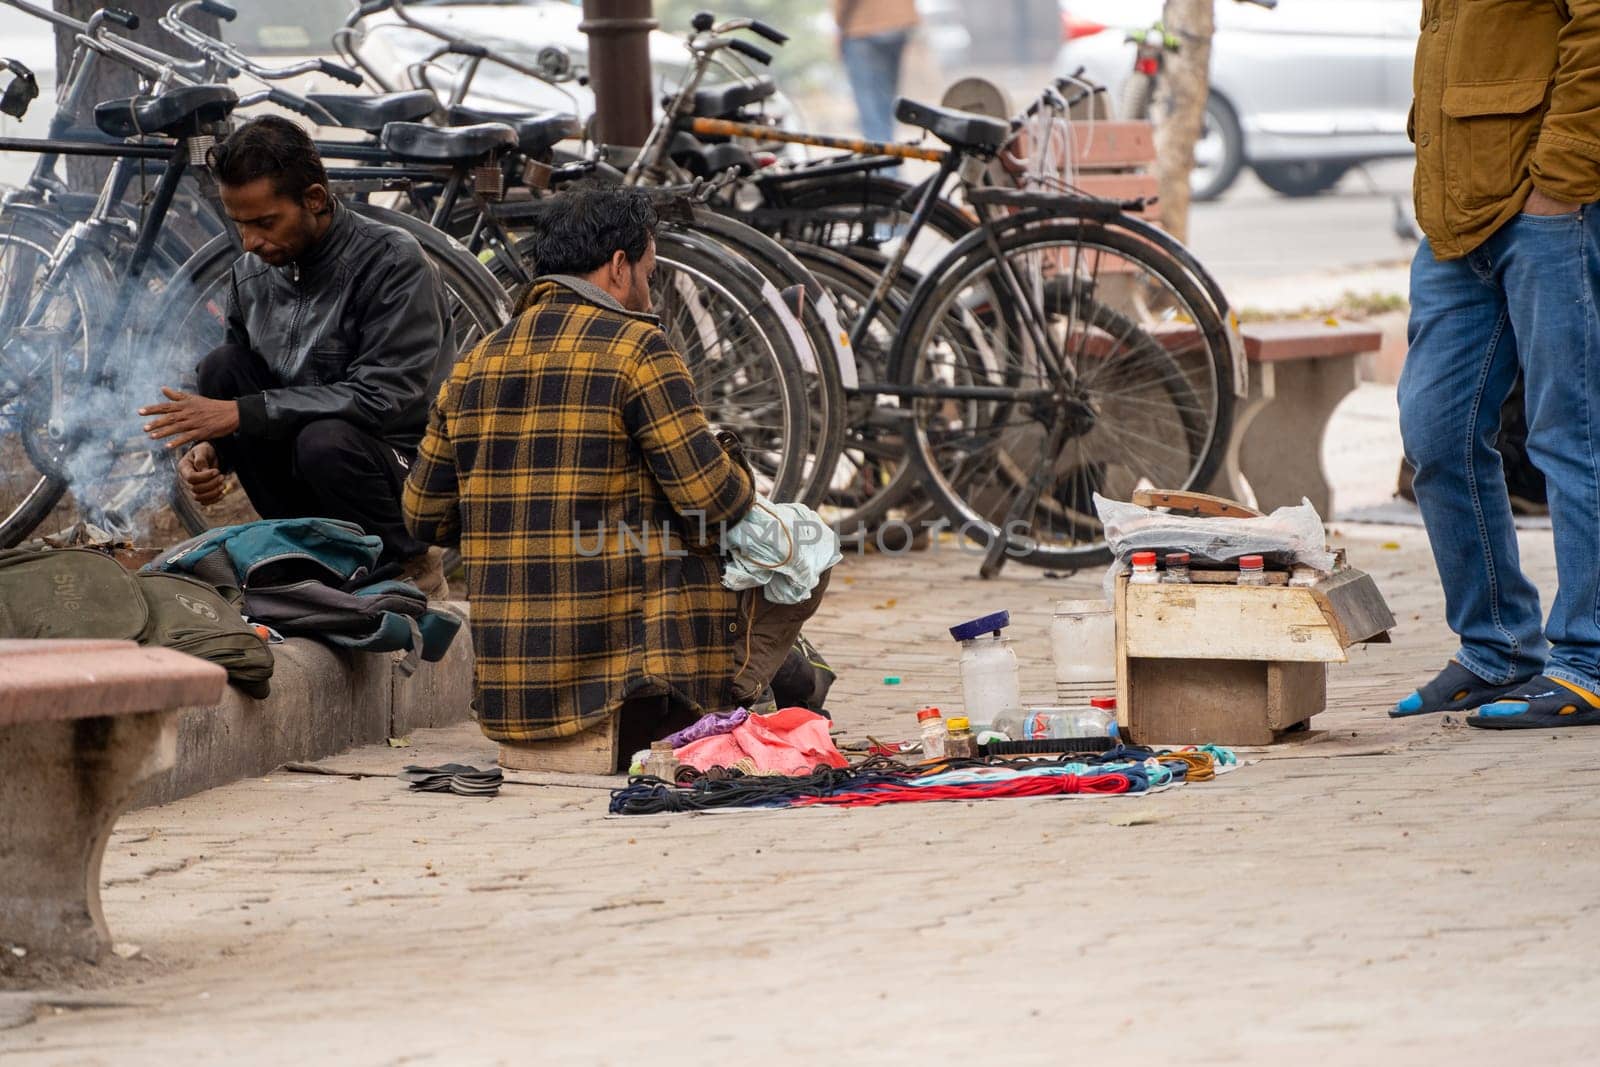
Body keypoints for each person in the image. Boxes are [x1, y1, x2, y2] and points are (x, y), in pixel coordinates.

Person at [402, 185, 832, 763]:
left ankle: (787, 685)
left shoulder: (476, 361)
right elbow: (715, 498)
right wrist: (723, 453)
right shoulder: (638, 348)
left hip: (514, 702)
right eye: (650, 273)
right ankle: (726, 705)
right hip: (627, 697)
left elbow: (423, 515)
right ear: (620, 266)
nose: (648, 289)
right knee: (806, 543)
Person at [139, 116, 454, 598]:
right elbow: (240, 390)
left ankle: (408, 563)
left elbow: (383, 399)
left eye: (265, 222)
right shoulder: (251, 273)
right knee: (221, 367)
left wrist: (238, 414)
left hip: (398, 465)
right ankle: (306, 551)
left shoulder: (394, 262)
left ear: (314, 199)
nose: (250, 242)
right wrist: (210, 452)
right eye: (239, 223)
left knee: (323, 440)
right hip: (308, 457)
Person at [1394, 1, 1600, 729]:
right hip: (1459, 215)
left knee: (1569, 435)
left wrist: (1562, 177)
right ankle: (1498, 647)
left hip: (1550, 205)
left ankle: (1589, 660)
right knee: (1434, 433)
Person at [834, 0, 918, 144]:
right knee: (886, 104)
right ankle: (890, 158)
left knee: (873, 112)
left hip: (863, 27)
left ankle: (884, 163)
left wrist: (838, 24)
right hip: (898, 21)